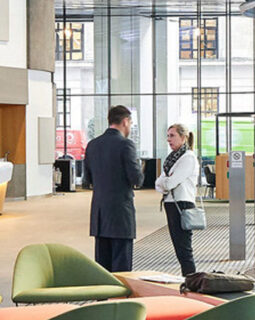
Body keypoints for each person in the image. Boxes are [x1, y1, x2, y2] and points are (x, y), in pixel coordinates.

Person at [83, 105, 142, 272]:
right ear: (125, 121)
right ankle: (120, 298)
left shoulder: (92, 145)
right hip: (120, 216)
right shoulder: (126, 145)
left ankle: (103, 297)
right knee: (122, 269)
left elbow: (87, 181)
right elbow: (136, 179)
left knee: (103, 270)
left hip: (100, 217)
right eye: (130, 123)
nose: (130, 127)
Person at [155, 123, 200, 275]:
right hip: (171, 204)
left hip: (182, 205)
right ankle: (188, 278)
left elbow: (169, 183)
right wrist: (165, 182)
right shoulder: (172, 158)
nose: (169, 139)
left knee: (184, 249)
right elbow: (158, 184)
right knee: (179, 248)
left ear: (184, 137)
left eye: (172, 135)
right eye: (167, 136)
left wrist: (165, 182)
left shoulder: (188, 158)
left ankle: (191, 280)